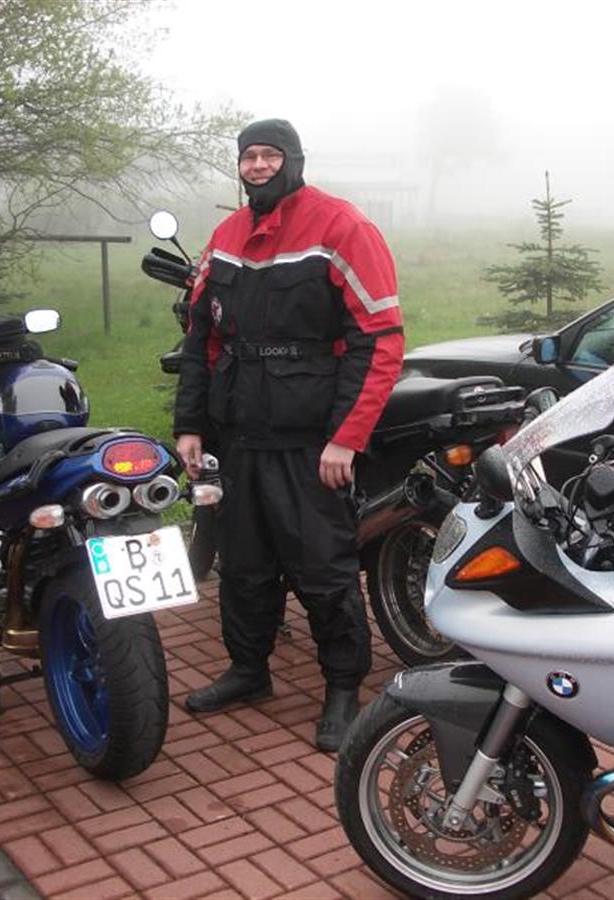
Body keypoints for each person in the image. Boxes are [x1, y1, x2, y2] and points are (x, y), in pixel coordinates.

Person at [172, 119, 404, 751]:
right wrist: (190, 424)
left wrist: (347, 438)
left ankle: (342, 689)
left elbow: (380, 341)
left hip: (310, 441)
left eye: (270, 155)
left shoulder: (342, 227)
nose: (258, 166)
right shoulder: (225, 236)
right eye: (248, 156)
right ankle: (248, 670)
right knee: (243, 565)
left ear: (294, 160)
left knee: (324, 570)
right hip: (238, 434)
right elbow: (201, 339)